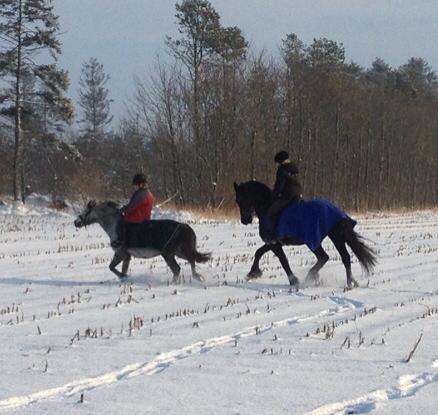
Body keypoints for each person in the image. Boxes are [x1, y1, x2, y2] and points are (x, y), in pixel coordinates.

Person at [264, 151, 303, 243]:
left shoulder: (282, 170)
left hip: (287, 196)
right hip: (297, 195)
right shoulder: (294, 168)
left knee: (270, 212)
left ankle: (273, 236)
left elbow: (279, 186)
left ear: (280, 161)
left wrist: (273, 195)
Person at [112, 173, 154, 248]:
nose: (134, 187)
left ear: (141, 184)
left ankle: (121, 242)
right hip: (144, 218)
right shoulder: (148, 193)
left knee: (120, 222)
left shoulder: (141, 194)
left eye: (135, 185)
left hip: (137, 218)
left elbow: (131, 206)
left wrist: (121, 210)